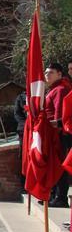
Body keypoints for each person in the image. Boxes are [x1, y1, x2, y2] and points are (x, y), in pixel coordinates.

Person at [46, 64, 72, 207]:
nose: (47, 75)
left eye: (50, 73)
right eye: (46, 73)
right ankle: (54, 194)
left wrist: (57, 131)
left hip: (60, 134)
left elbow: (60, 113)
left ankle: (60, 196)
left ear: (59, 74)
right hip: (54, 134)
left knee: (60, 165)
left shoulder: (61, 89)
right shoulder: (54, 89)